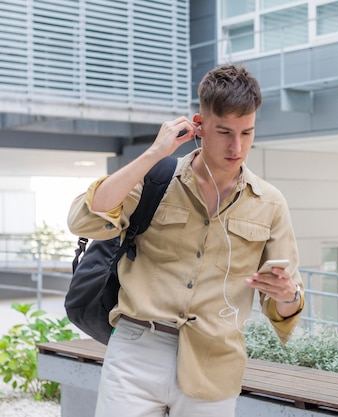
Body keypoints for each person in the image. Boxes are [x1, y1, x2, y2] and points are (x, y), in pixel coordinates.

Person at [67, 64, 304, 417]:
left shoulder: (269, 203)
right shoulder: (156, 179)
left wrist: (287, 296)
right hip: (137, 351)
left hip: (214, 363)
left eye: (247, 132)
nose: (236, 146)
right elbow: (84, 217)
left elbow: (285, 309)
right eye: (224, 131)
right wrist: (153, 154)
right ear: (199, 124)